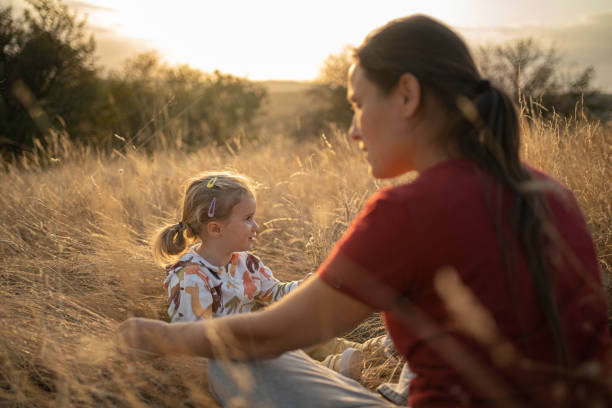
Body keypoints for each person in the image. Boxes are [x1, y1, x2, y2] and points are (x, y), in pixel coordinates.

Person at [118, 15, 612, 407]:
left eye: (358, 103)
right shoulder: (549, 191)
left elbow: (272, 333)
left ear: (407, 94)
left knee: (232, 357)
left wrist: (162, 335)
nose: (354, 129)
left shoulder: (410, 210)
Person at [153, 171, 366, 380]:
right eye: (248, 219)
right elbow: (197, 342)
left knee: (296, 329)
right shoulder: (190, 278)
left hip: (253, 339)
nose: (256, 226)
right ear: (216, 229)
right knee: (272, 352)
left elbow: (273, 292)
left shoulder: (245, 262)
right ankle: (329, 369)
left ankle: (367, 351)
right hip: (228, 359)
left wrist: (302, 286)